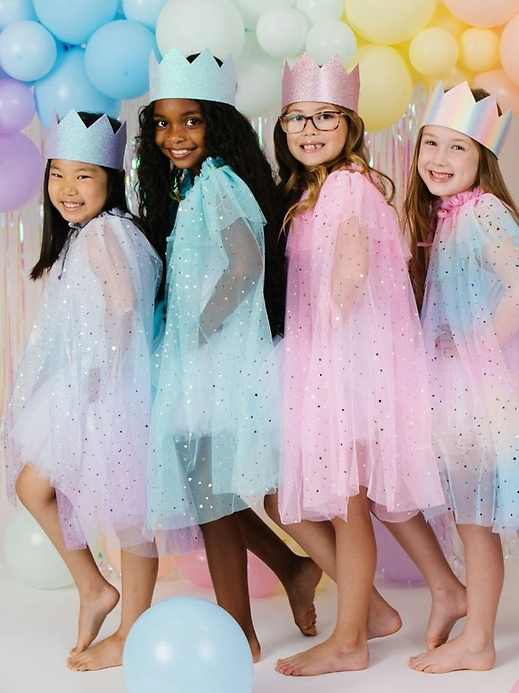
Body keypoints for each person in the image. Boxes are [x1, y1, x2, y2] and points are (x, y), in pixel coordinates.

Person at [136, 47, 321, 662]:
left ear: (217, 123)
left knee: (212, 501)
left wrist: (199, 329)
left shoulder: (217, 182)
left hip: (214, 362)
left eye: (191, 120)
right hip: (195, 359)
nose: (175, 135)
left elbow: (245, 264)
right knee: (203, 495)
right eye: (163, 123)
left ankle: (238, 630)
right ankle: (292, 569)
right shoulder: (191, 186)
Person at [270, 53, 448, 677]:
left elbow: (350, 269)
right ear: (282, 126)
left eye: (325, 116)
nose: (309, 129)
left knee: (348, 503)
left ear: (350, 125)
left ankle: (350, 641)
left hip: (343, 361)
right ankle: (427, 596)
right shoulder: (315, 188)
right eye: (297, 118)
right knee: (361, 497)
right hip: (339, 357)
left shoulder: (346, 185)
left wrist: (328, 333)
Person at [2, 110, 167, 671]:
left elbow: (123, 307)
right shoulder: (91, 233)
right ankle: (95, 588)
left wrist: (104, 376)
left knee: (127, 514)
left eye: (83, 176)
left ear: (110, 180)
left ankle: (132, 628)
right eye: (57, 175)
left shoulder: (104, 232)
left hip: (109, 389)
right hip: (87, 388)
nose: (67, 189)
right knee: (34, 486)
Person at [405, 82, 519, 674]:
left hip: (480, 389)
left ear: (482, 159)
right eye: (431, 143)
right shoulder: (452, 216)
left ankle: (478, 642)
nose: (440, 159)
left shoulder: (482, 212)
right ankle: (476, 634)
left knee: (477, 518)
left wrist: (476, 347)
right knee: (471, 515)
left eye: (458, 148)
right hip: (461, 387)